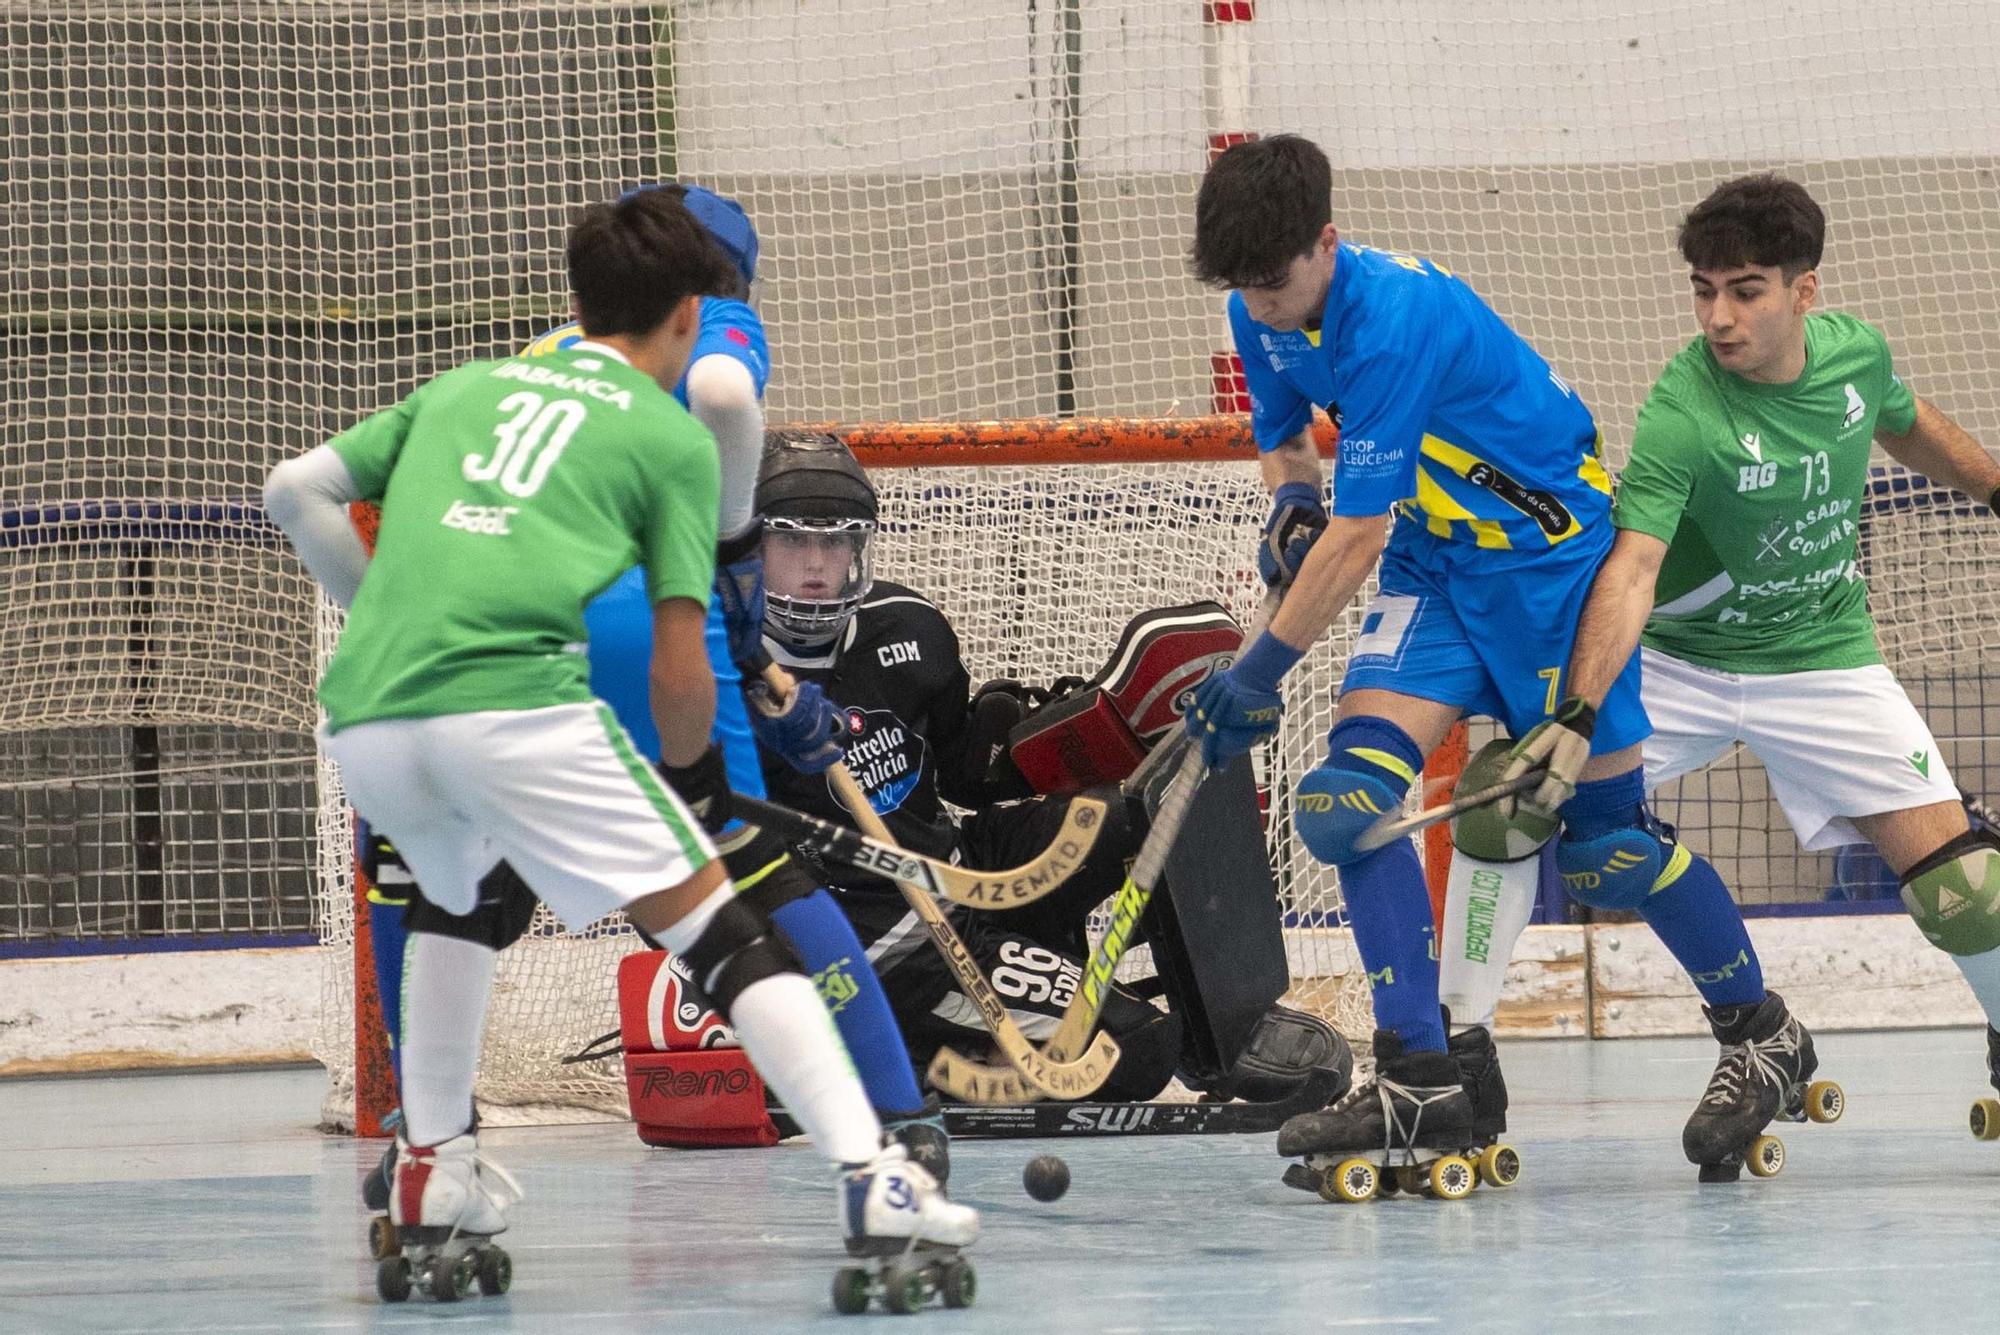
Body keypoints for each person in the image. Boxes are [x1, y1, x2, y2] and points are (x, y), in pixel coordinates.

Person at [263, 189, 973, 1296]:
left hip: (371, 711)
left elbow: (294, 488)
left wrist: (389, 623)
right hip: (523, 698)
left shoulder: (469, 383)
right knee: (726, 919)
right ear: (692, 308)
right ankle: (880, 1167)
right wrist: (694, 786)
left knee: (450, 902)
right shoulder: (668, 420)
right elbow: (682, 658)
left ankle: (430, 1165)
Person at [1181, 134, 1773, 1183]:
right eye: (1239, 286)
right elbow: (1287, 441)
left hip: (1552, 572)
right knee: (1342, 804)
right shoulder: (1254, 307)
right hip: (1436, 564)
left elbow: (1351, 540)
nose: (1259, 305)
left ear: (1325, 241)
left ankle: (1758, 1031)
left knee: (1603, 852)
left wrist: (1255, 675)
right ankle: (1416, 1076)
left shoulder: (1391, 318)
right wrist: (1286, 496)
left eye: (1273, 281)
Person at [1483, 173, 2000, 1158]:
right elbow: (1631, 569)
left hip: (1822, 662)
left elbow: (1897, 416)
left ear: (1803, 291)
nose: (1717, 316)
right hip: (1678, 667)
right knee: (1508, 814)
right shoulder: (1684, 406)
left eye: (1744, 290)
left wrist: (1989, 487)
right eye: (1701, 289)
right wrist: (1578, 712)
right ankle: (1450, 1054)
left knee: (1964, 886)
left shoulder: (1853, 355)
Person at [750, 431, 1347, 1105]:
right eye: (793, 541)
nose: (816, 565)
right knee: (1137, 1050)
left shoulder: (911, 627)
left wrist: (1030, 739)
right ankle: (902, 1050)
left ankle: (1228, 1033)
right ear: (750, 547)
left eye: (835, 541)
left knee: (1141, 817)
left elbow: (961, 779)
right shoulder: (722, 672)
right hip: (880, 937)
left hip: (963, 869)